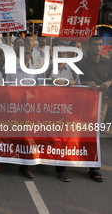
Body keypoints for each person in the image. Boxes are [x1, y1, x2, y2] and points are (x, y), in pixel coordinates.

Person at [76, 36, 112, 182]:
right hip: (84, 103)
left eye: (100, 44)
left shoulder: (108, 63)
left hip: (102, 102)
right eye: (95, 44)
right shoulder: (80, 63)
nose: (98, 47)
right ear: (88, 46)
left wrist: (109, 82)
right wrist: (85, 83)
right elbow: (74, 81)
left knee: (95, 134)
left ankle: (94, 167)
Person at [45, 45, 81, 182]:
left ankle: (60, 169)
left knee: (64, 138)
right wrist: (51, 81)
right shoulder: (47, 68)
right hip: (49, 108)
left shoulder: (73, 70)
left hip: (67, 110)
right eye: (59, 53)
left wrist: (73, 82)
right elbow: (39, 82)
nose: (62, 56)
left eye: (64, 53)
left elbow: (79, 86)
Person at [5, 45, 42, 179]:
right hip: (15, 109)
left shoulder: (36, 70)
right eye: (24, 53)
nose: (27, 56)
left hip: (30, 110)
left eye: (28, 53)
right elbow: (7, 89)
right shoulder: (11, 69)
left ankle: (25, 166)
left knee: (28, 136)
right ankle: (11, 158)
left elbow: (39, 88)